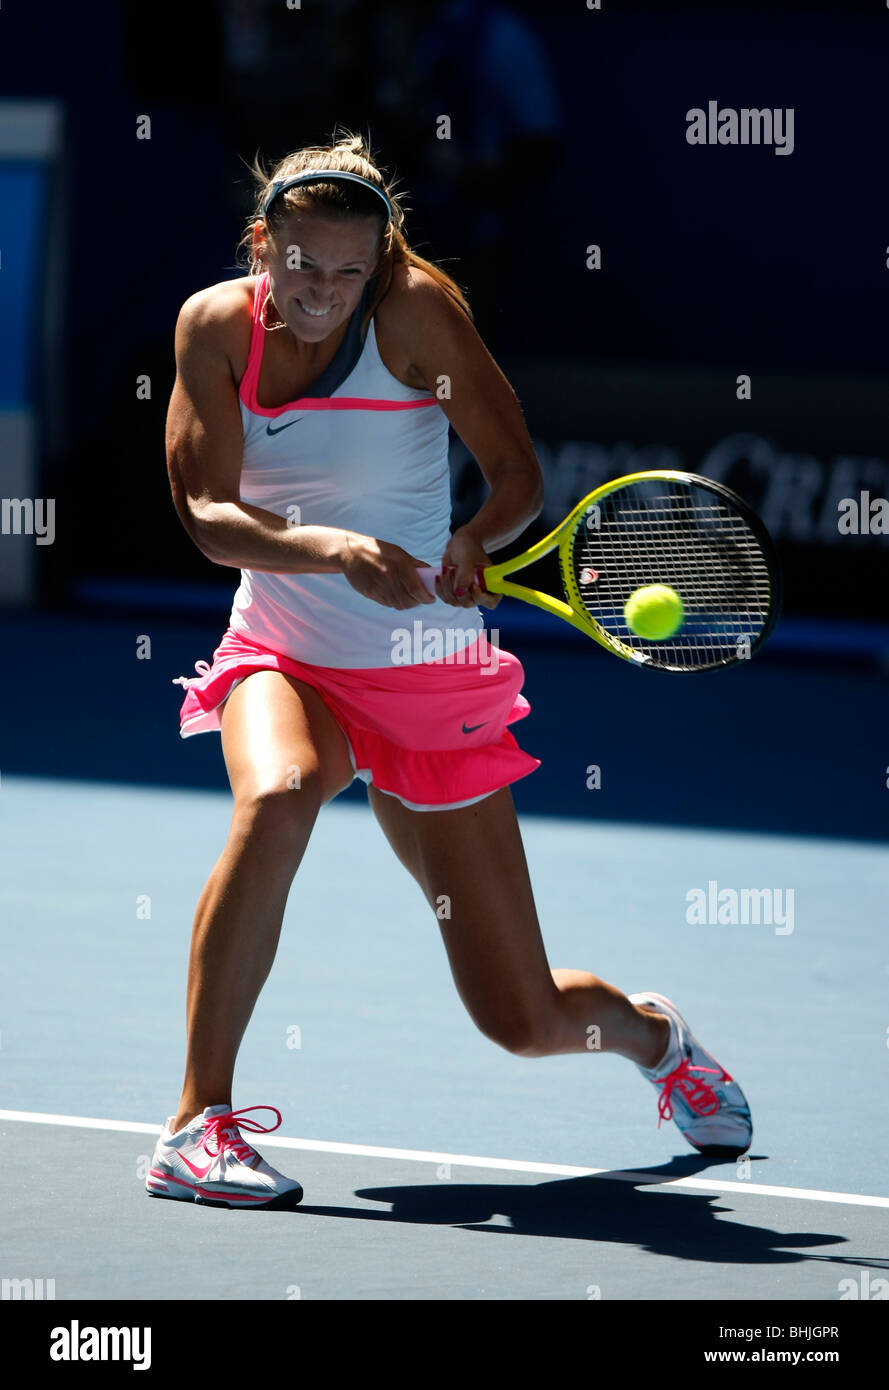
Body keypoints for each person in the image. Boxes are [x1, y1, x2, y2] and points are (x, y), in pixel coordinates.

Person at [146, 132, 751, 1209]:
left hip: (427, 673)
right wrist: (327, 548)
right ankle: (198, 1123)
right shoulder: (212, 327)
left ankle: (655, 1039)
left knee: (522, 1020)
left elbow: (515, 471)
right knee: (281, 792)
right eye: (300, 264)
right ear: (262, 243)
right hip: (282, 650)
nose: (323, 290)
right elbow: (203, 513)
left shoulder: (417, 312)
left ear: (379, 261)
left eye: (346, 269)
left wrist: (473, 537)